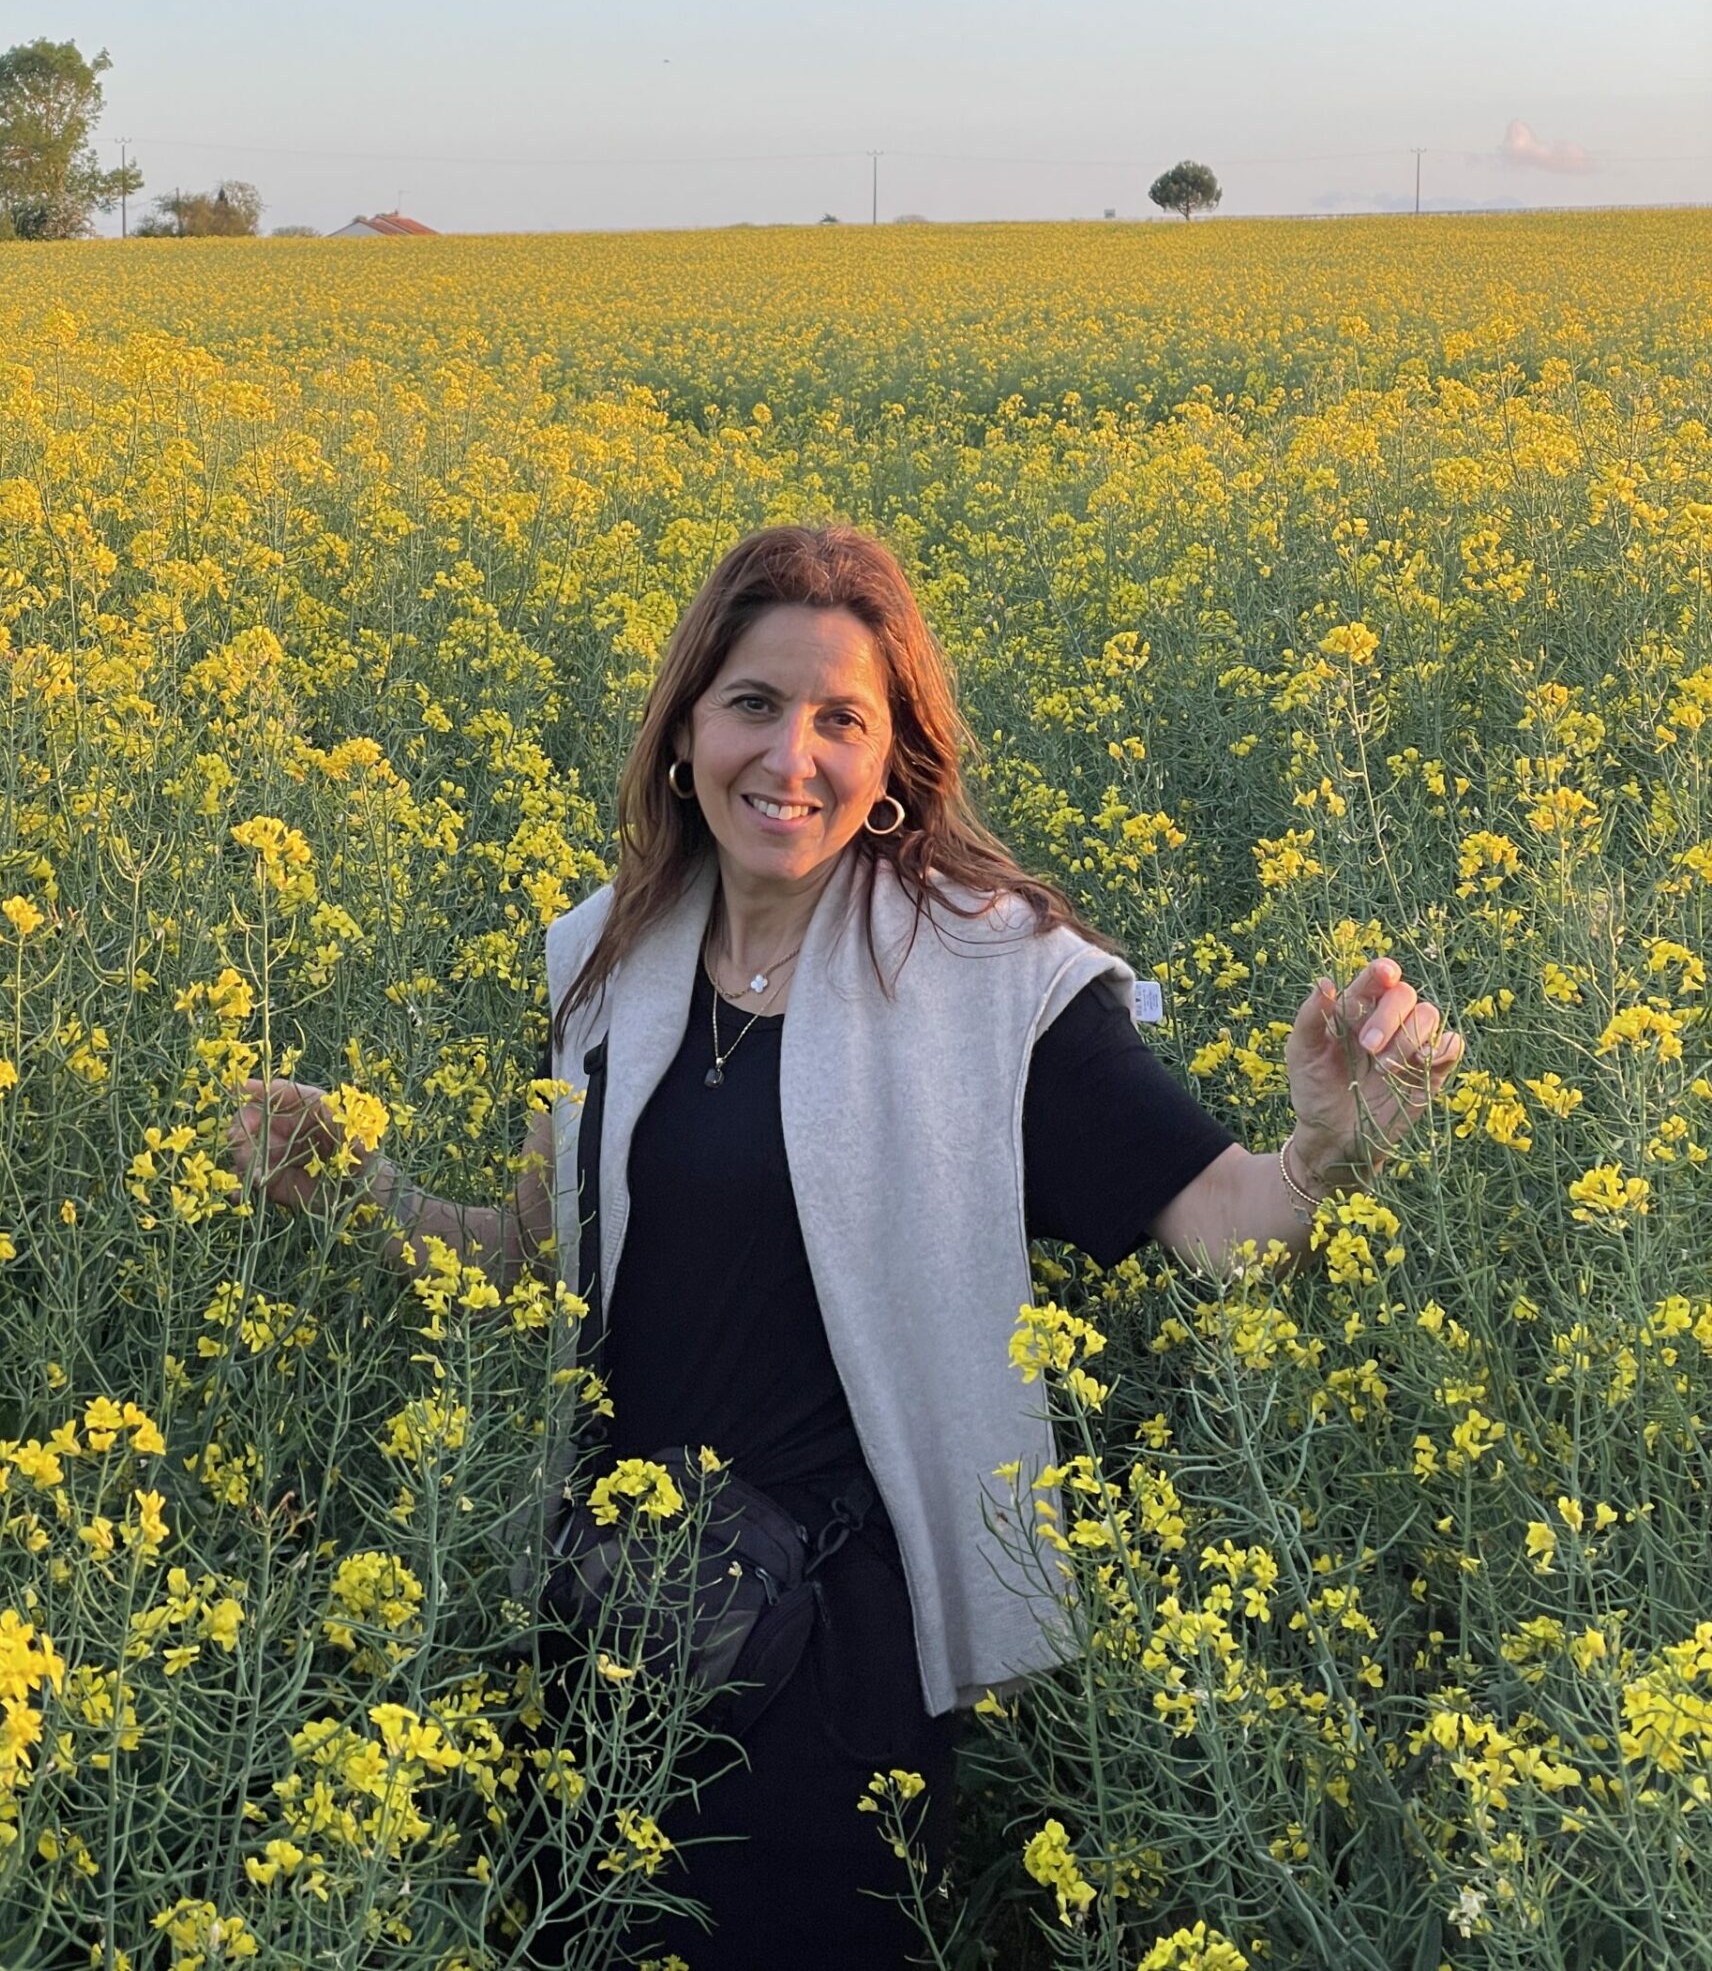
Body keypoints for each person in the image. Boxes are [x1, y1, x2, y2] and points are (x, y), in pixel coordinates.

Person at [231, 523, 1462, 1968]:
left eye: (841, 720)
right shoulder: (604, 956)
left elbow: (1225, 1230)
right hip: (611, 1627)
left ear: (895, 764)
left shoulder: (993, 980)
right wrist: (359, 1191)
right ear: (685, 728)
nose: (790, 757)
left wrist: (1330, 1148)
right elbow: (537, 1255)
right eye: (754, 703)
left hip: (830, 1659)